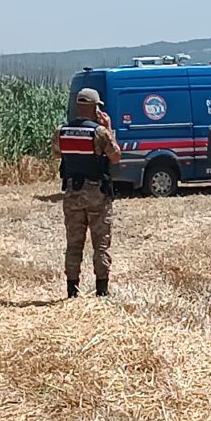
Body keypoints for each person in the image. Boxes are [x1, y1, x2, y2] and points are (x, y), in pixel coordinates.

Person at [51, 88, 121, 299]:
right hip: (96, 194)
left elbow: (57, 154)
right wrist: (109, 128)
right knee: (101, 244)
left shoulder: (61, 131)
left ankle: (72, 290)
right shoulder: (99, 132)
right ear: (95, 108)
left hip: (72, 193)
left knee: (73, 244)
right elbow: (115, 156)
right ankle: (102, 290)